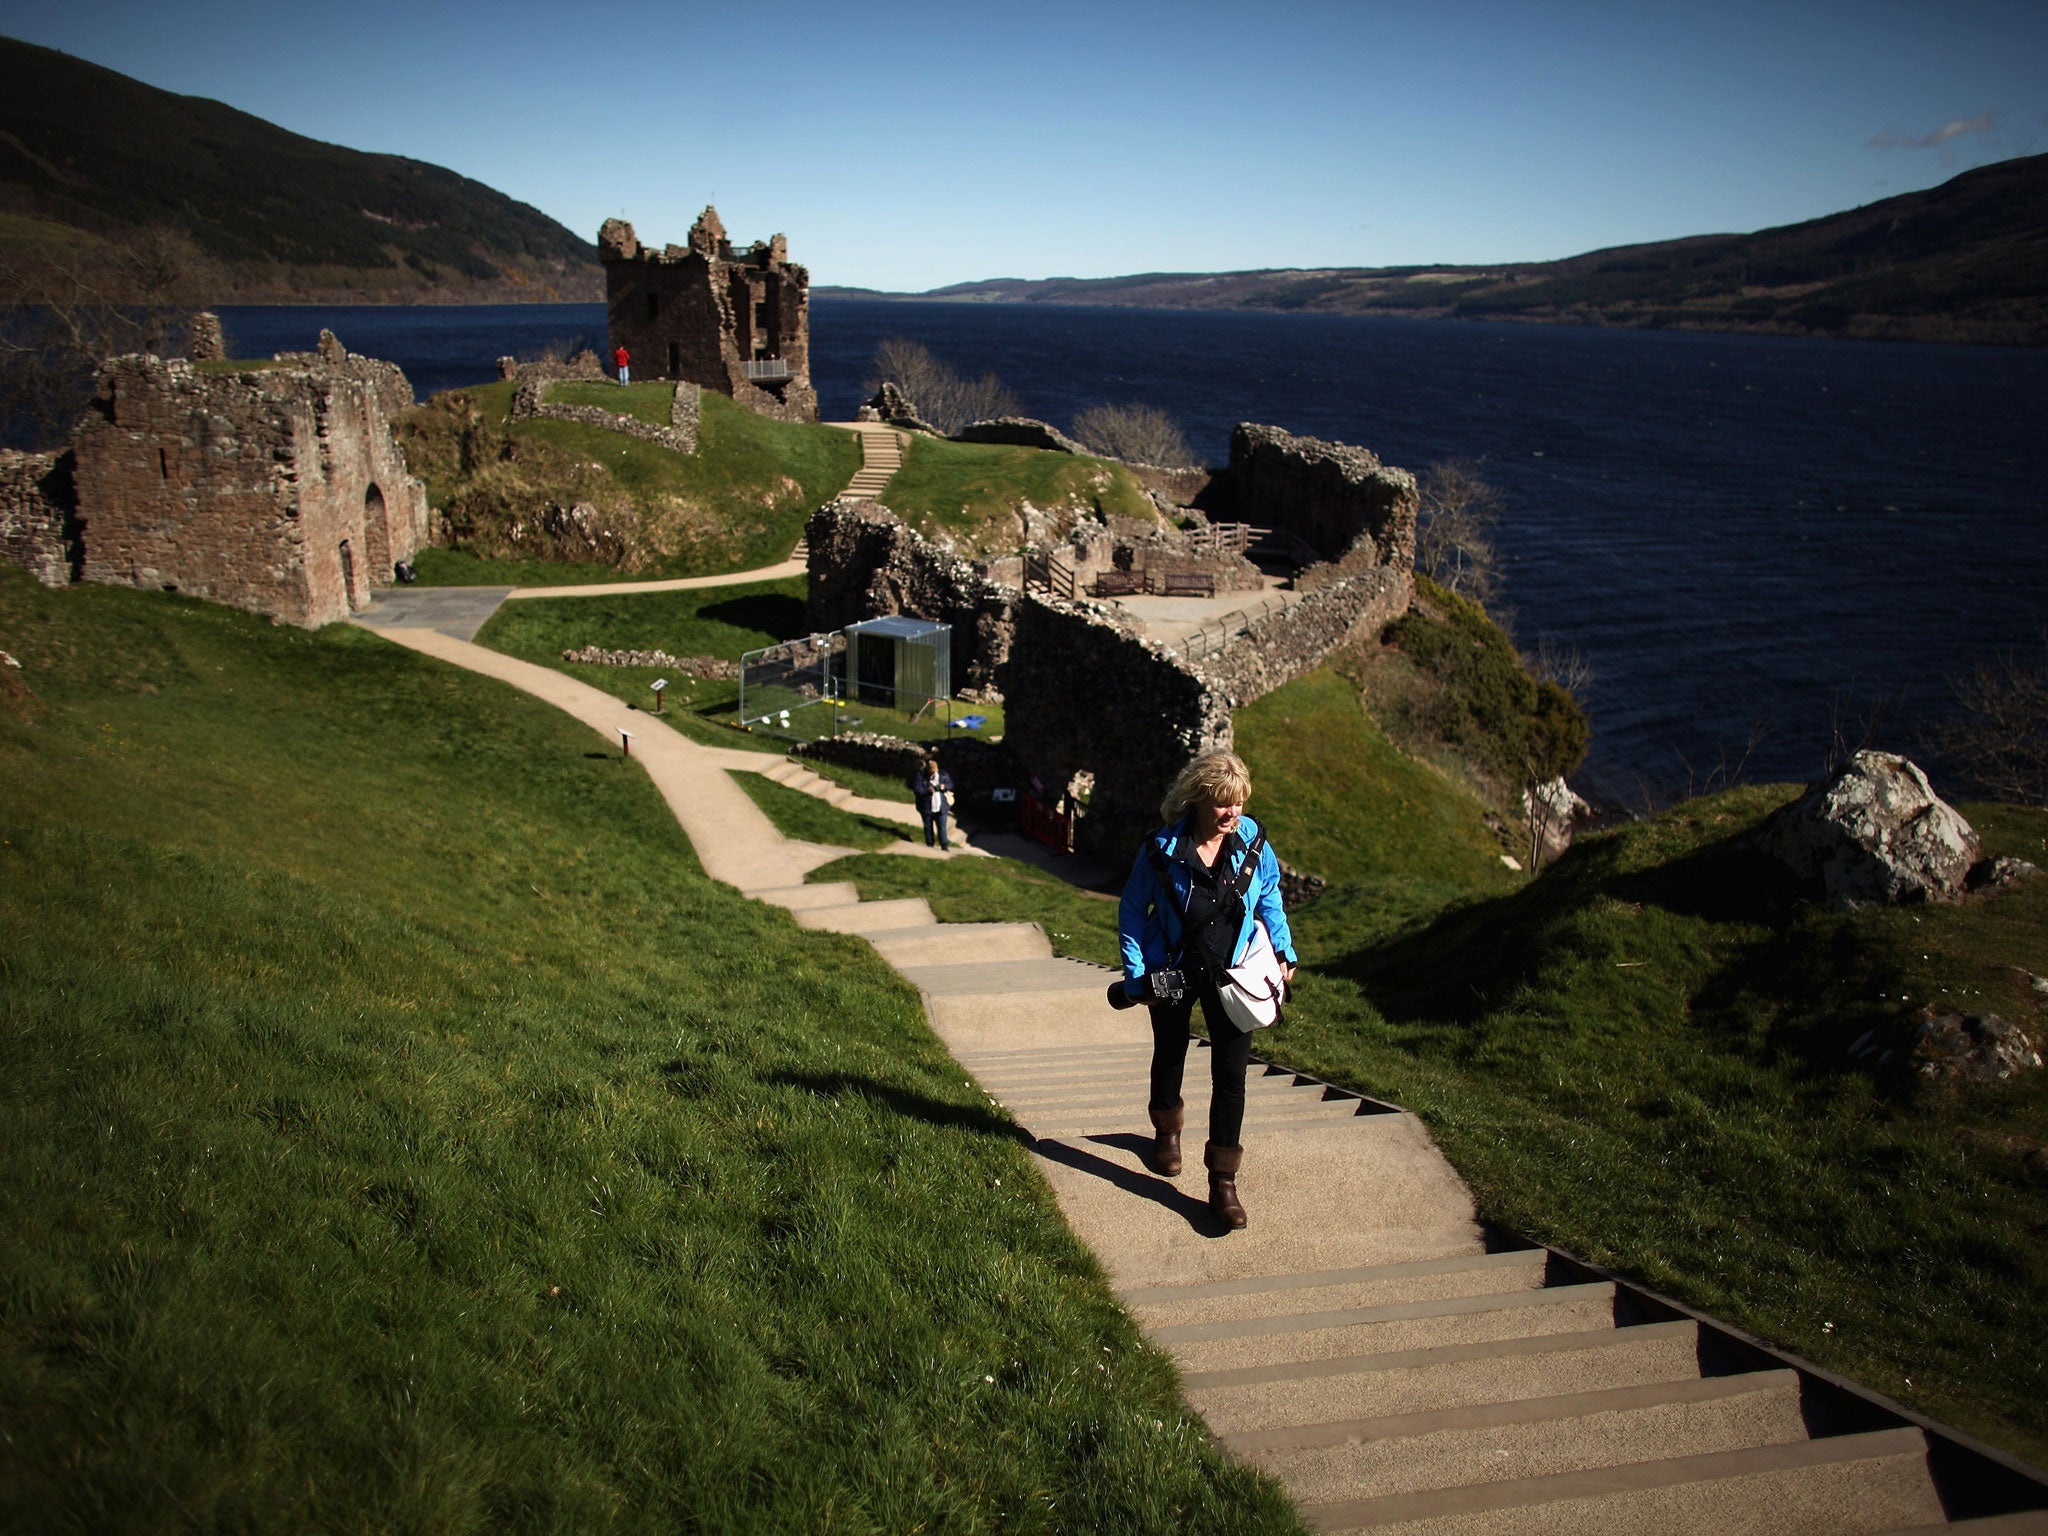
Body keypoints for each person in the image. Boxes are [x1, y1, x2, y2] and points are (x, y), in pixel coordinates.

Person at [1116, 750, 1296, 1230]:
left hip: (1233, 973)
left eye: (1239, 803)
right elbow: (1133, 911)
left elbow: (1271, 896)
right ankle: (1166, 1132)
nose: (1232, 814)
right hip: (1172, 969)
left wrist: (1282, 950)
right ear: (1197, 800)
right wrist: (1137, 975)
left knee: (1231, 1077)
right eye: (1222, 804)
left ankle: (1222, 1183)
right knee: (1170, 1052)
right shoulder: (1159, 848)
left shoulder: (1253, 840)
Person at [910, 756, 954, 850]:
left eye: (933, 773)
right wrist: (927, 790)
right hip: (926, 807)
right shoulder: (920, 776)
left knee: (942, 826)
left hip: (941, 807)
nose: (932, 775)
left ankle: (944, 845)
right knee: (928, 826)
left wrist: (944, 787)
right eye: (930, 773)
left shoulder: (943, 775)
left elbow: (950, 784)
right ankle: (930, 844)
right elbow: (917, 790)